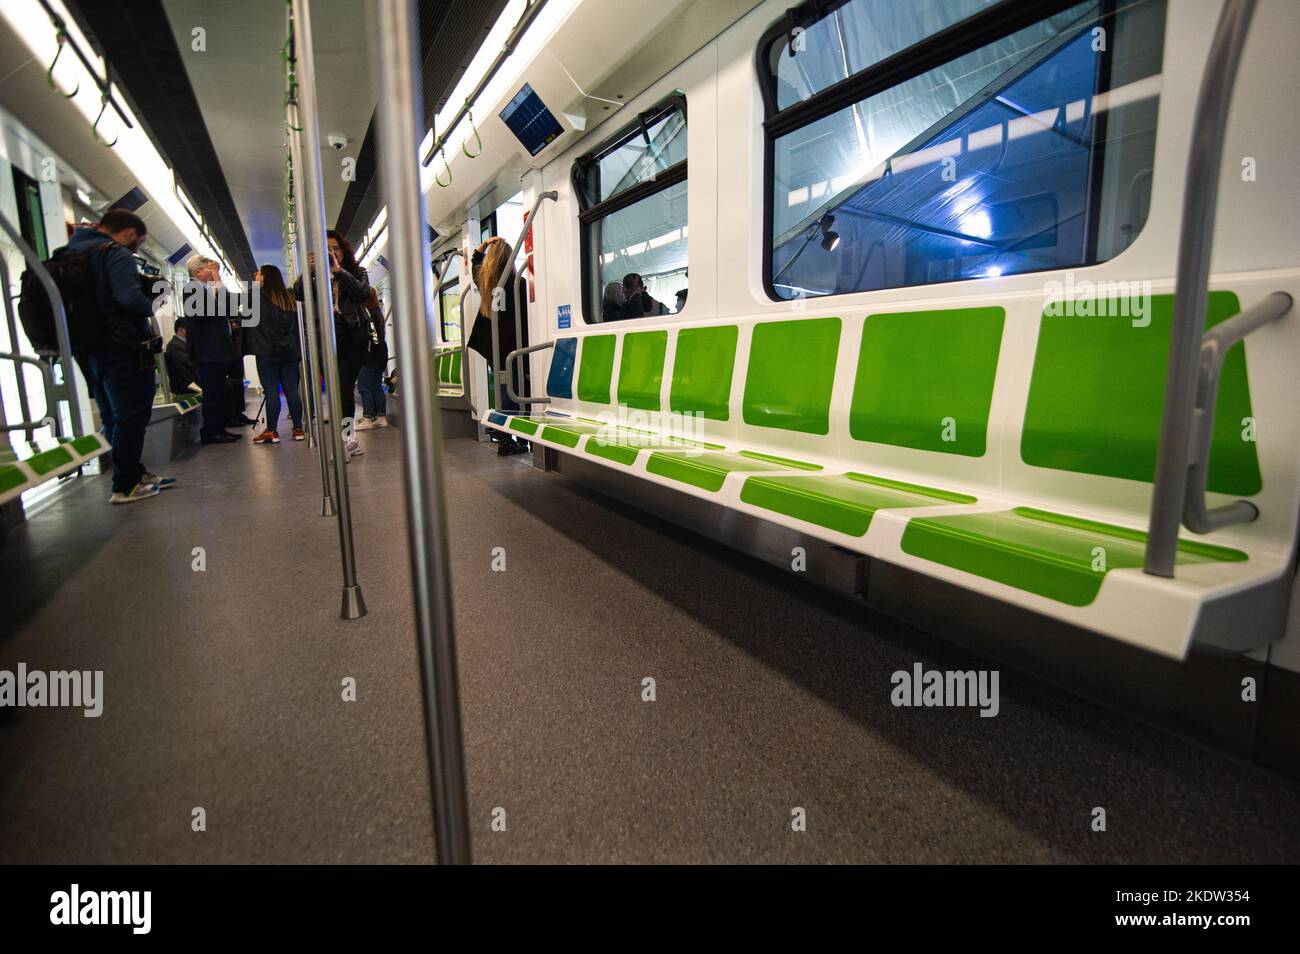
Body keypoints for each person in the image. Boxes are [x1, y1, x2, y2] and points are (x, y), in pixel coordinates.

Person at [66, 208, 176, 503]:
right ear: (129, 233)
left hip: (85, 349)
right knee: (133, 413)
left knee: (114, 415)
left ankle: (132, 472)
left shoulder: (72, 251)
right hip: (119, 346)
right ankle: (125, 484)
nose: (135, 247)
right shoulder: (115, 254)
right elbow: (129, 299)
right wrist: (154, 302)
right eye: (138, 242)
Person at [294, 230, 370, 459]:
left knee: (344, 387)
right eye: (326, 249)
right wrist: (307, 272)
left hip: (353, 338)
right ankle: (349, 438)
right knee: (338, 390)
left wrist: (339, 271)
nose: (331, 253)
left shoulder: (356, 272)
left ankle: (346, 438)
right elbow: (298, 294)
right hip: (326, 340)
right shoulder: (314, 276)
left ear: (343, 250)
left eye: (335, 248)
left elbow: (363, 293)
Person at [466, 236, 529, 456]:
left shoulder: (484, 282)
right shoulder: (518, 283)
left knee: (504, 389)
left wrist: (484, 245)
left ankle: (505, 436)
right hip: (514, 344)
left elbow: (474, 262)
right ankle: (512, 437)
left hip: (493, 345)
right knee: (518, 391)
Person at [184, 255, 241, 444]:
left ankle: (218, 427)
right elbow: (213, 310)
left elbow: (225, 306)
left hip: (214, 349)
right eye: (210, 269)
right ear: (198, 271)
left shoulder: (204, 290)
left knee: (218, 390)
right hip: (207, 350)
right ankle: (212, 431)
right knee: (212, 392)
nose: (214, 273)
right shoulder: (191, 289)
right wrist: (217, 280)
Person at [246, 264, 304, 444]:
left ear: (264, 278)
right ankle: (298, 428)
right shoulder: (289, 298)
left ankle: (271, 431)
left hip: (267, 352)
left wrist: (255, 285)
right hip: (290, 352)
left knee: (271, 392)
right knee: (292, 390)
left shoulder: (257, 296)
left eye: (259, 274)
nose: (257, 276)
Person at [354, 287, 388, 429]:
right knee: (376, 385)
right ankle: (380, 416)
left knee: (365, 386)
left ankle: (368, 416)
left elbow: (364, 336)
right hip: (380, 354)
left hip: (368, 354)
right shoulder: (377, 312)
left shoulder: (365, 313)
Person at [164, 318, 202, 396]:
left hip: (192, 383)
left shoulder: (183, 344)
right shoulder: (174, 346)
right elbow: (192, 362)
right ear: (181, 330)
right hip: (186, 387)